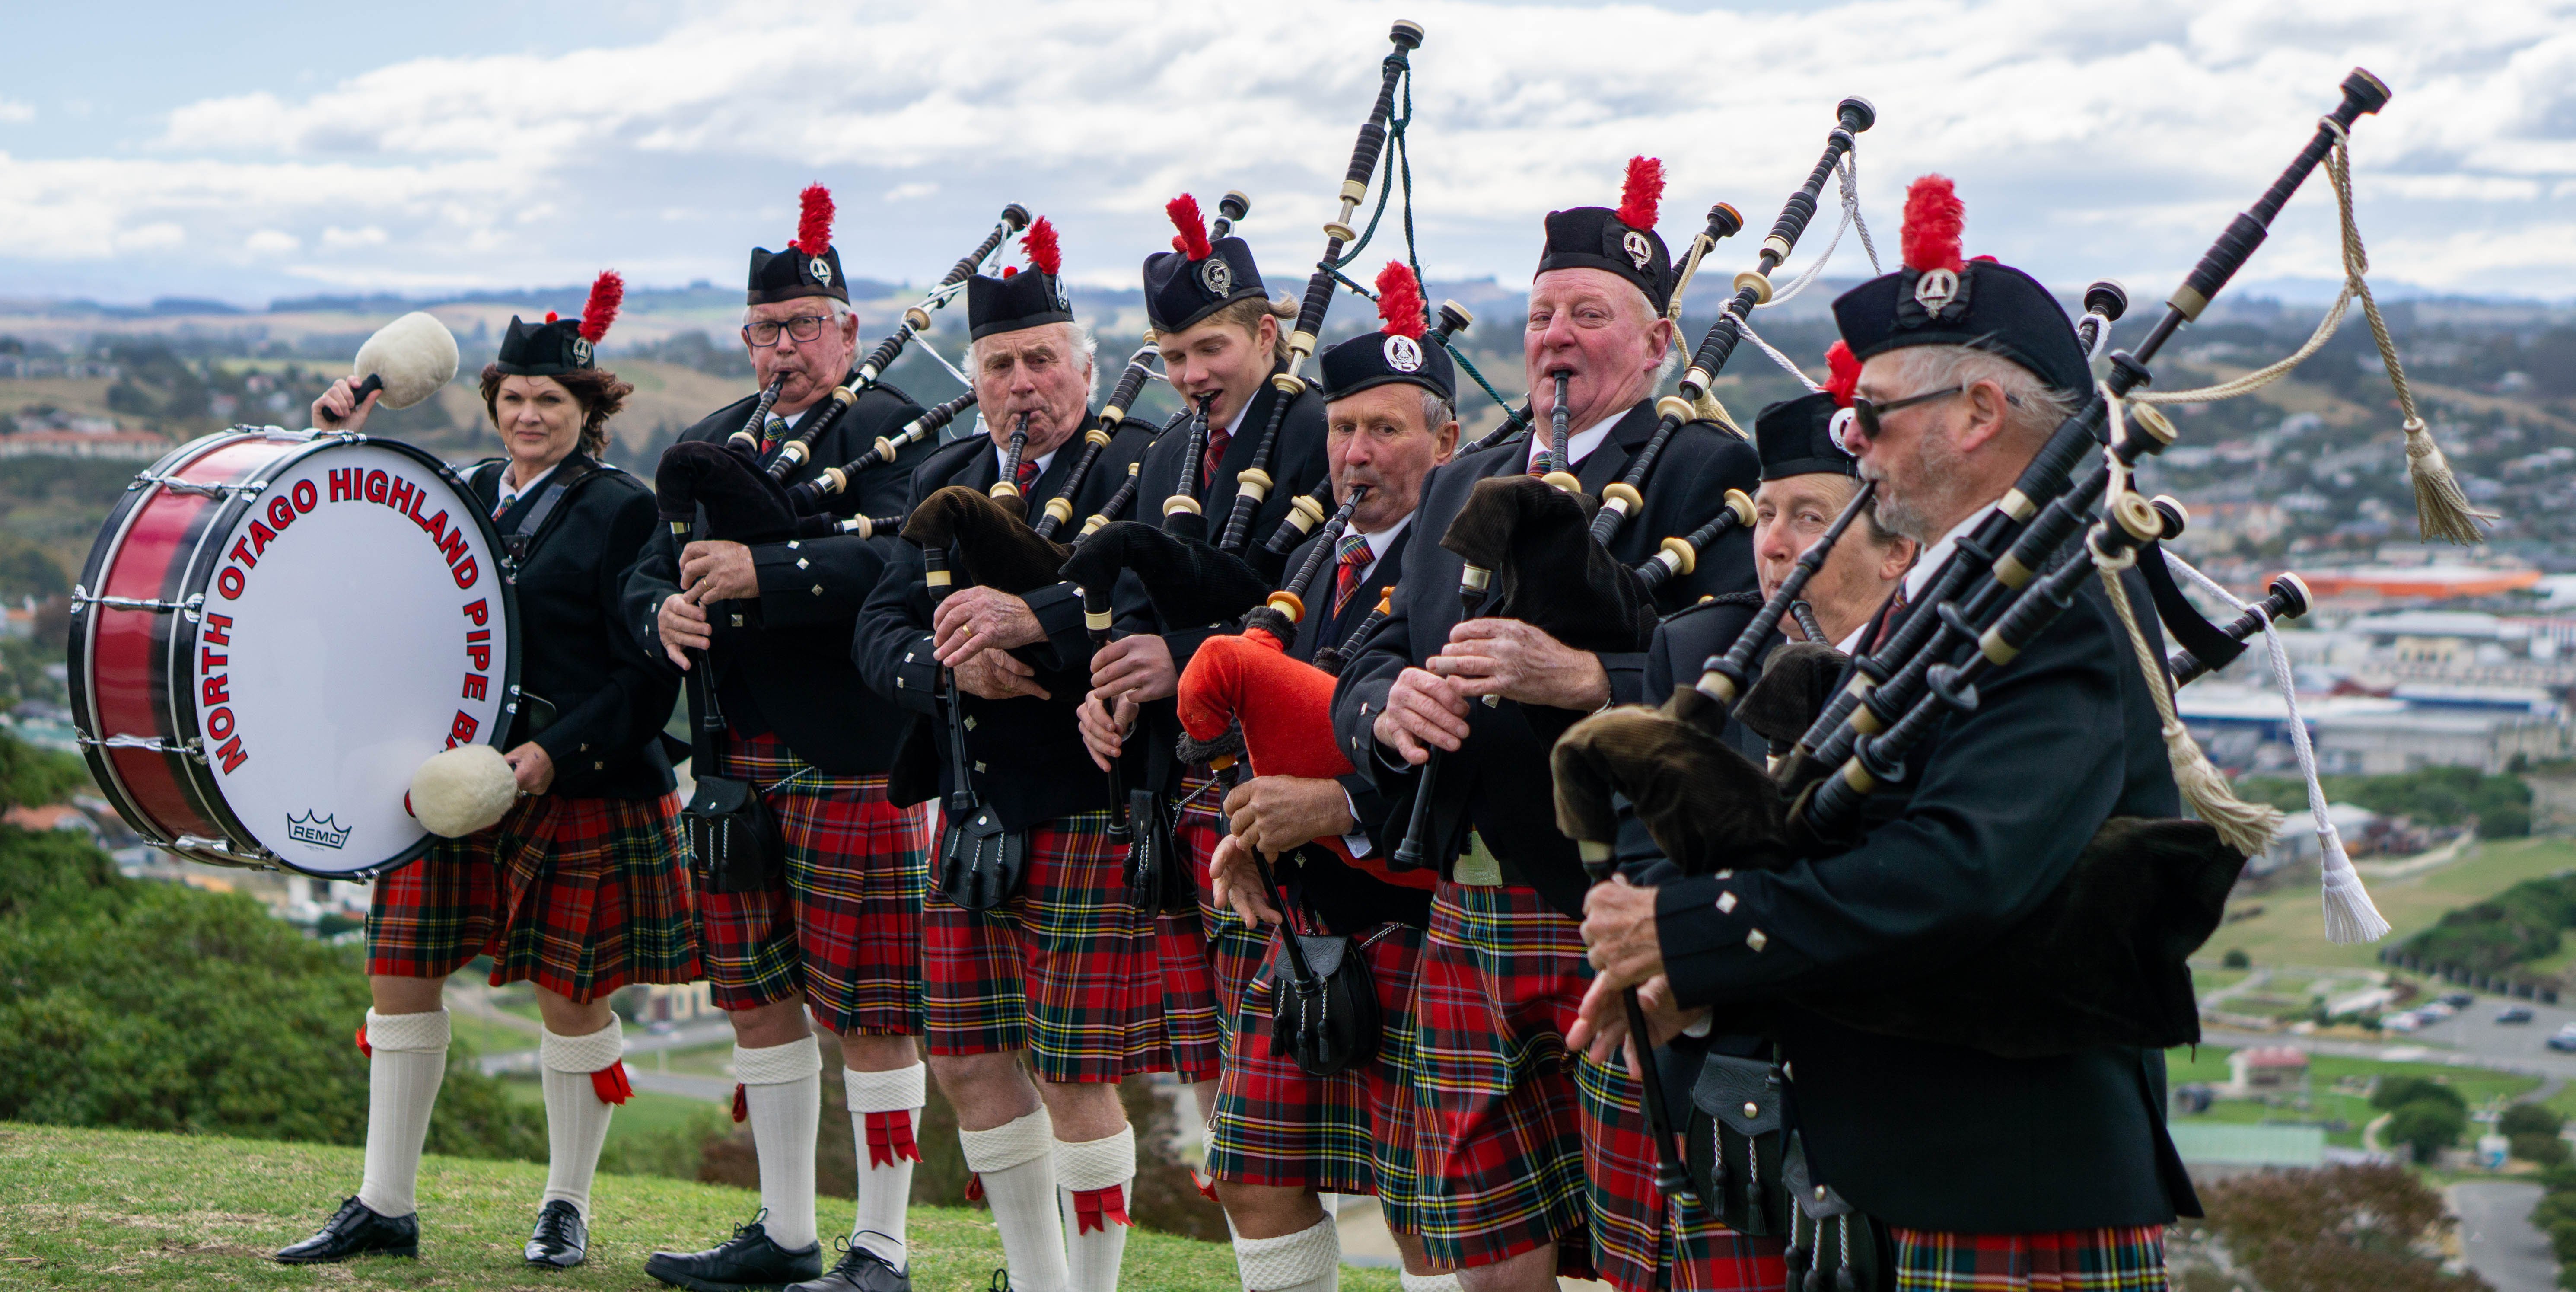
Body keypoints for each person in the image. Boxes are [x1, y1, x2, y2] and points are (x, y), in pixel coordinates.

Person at [1574, 176, 2201, 1292]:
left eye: (1875, 414)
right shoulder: (1963, 594)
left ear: (1977, 415)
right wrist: (1707, 969)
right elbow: (1860, 846)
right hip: (1929, 1165)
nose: (1852, 440)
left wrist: (1693, 928)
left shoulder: (2059, 601)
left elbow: (1954, 872)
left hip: (2012, 1170)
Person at [1331, 158, 1770, 1292]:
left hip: (1608, 898)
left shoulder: (1707, 470)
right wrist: (1390, 708)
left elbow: (1743, 681)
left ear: (1657, 340)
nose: (1556, 336)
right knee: (1486, 1237)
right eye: (1542, 315)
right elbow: (1372, 651)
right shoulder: (1459, 478)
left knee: (1640, 1242)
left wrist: (1583, 675)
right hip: (1470, 899)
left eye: (1590, 314)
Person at [277, 275, 696, 1271]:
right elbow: (358, 566)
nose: (528, 416)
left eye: (550, 401)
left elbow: (646, 680)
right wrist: (338, 433)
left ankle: (565, 1205)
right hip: (449, 784)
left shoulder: (622, 514)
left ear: (587, 413)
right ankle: (384, 1203)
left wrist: (550, 758)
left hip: (577, 782)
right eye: (512, 399)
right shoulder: (458, 495)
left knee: (571, 1000)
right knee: (398, 977)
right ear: (493, 405)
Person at [628, 186, 942, 1292]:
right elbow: (645, 569)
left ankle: (883, 1247)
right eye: (765, 330)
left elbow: (909, 561)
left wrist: (772, 575)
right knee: (757, 998)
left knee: (870, 1010)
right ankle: (785, 1230)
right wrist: (655, 610)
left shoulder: (900, 431)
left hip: (854, 754)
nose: (784, 348)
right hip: (731, 762)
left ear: (848, 330)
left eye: (806, 326)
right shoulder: (713, 441)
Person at [852, 219, 1159, 1292]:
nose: (1022, 382)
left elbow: (1152, 605)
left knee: (1074, 1071)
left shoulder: (1137, 463)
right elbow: (877, 631)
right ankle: (1034, 1280)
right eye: (999, 365)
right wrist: (950, 675)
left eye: (1041, 360)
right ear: (975, 380)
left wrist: (1034, 627)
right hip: (970, 808)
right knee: (970, 1061)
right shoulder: (940, 476)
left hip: (1082, 803)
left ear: (1081, 367)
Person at [1197, 264, 1457, 1292]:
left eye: (1386, 429)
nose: (1357, 451)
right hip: (1309, 915)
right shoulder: (1321, 555)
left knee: (1420, 1200)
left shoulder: (1466, 560)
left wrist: (1341, 806)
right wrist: (1250, 827)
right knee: (1253, 1174)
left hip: (1417, 913)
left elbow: (1467, 737)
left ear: (1445, 443)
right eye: (1344, 428)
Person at [1082, 193, 1334, 1148]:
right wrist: (1108, 700)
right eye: (1173, 355)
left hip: (1269, 796)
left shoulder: (1320, 437)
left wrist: (1177, 660)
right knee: (1225, 1099)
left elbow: (1306, 610)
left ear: (1265, 335)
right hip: (1176, 794)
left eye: (1210, 350)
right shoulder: (1167, 458)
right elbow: (1139, 604)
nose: (1190, 375)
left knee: (1290, 1105)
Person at [1643, 377, 1919, 757]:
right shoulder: (1693, 650)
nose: (1771, 546)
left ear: (1896, 551)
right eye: (1765, 514)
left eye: (1809, 518)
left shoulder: (1941, 669)